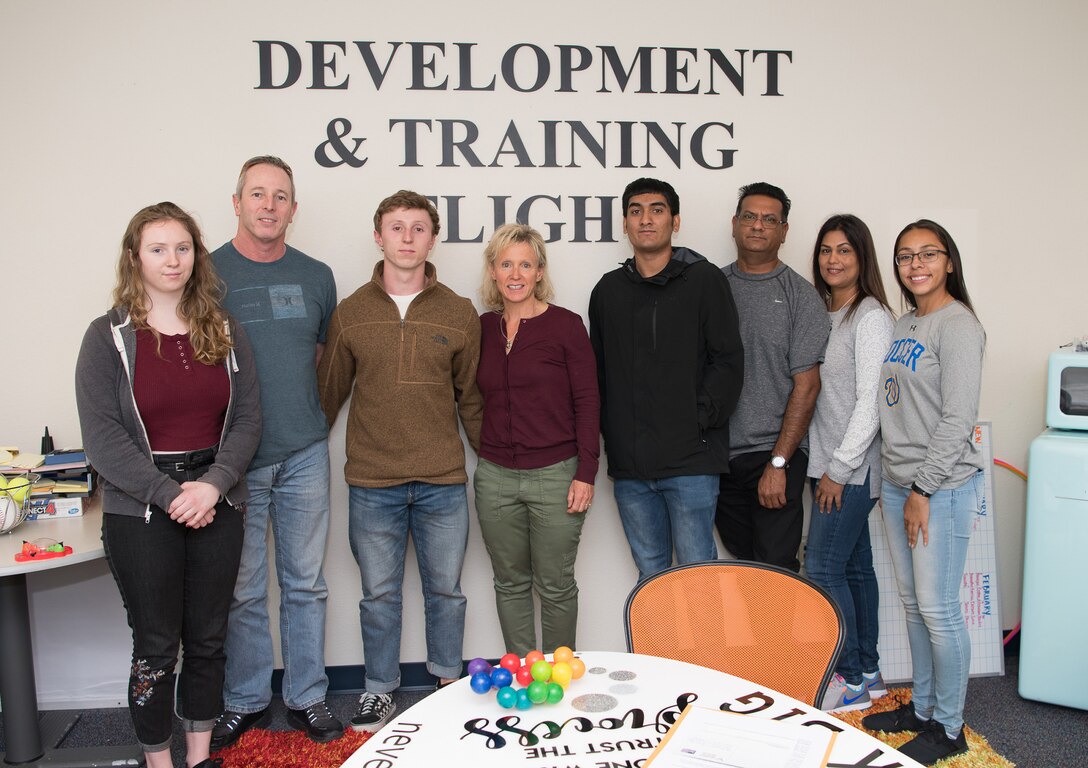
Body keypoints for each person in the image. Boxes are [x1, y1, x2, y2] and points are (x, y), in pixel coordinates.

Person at [75, 202, 261, 768]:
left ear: (196, 255)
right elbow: (103, 440)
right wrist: (170, 494)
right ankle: (158, 760)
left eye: (183, 247)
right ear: (135, 258)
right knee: (157, 647)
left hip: (217, 499)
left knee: (208, 639)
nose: (172, 259)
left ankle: (200, 756)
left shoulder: (224, 329)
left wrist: (213, 486)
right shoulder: (106, 338)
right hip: (142, 509)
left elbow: (249, 418)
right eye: (158, 249)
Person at [318, 190, 483, 733]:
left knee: (446, 593)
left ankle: (445, 683)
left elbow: (472, 400)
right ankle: (378, 690)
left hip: (441, 481)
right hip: (372, 480)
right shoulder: (351, 313)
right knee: (379, 595)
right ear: (378, 235)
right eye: (396, 227)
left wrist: (499, 461)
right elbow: (328, 395)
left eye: (418, 228)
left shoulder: (459, 313)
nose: (407, 238)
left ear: (432, 239)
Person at [211, 156, 343, 748]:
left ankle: (307, 696)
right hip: (233, 463)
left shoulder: (317, 275)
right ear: (236, 202)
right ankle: (244, 699)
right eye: (257, 194)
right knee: (242, 588)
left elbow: (319, 358)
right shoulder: (203, 274)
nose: (269, 205)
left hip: (305, 454)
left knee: (306, 582)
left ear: (294, 208)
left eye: (281, 196)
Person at [861, 220, 985, 766]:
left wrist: (922, 488)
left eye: (928, 254)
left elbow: (958, 420)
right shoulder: (908, 321)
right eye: (906, 256)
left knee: (939, 609)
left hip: (937, 488)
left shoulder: (957, 326)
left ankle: (950, 728)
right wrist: (900, 483)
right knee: (914, 605)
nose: (916, 264)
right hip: (897, 482)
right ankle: (925, 708)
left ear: (949, 262)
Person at [589, 178, 744, 583]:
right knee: (651, 578)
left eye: (656, 210)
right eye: (636, 211)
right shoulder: (608, 290)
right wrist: (615, 433)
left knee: (697, 576)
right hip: (632, 467)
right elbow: (599, 374)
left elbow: (727, 361)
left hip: (691, 461)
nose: (646, 219)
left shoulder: (705, 280)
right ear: (624, 224)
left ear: (675, 222)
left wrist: (696, 421)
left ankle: (705, 652)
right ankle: (656, 651)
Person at [474, 223, 600, 655]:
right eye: (506, 263)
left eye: (525, 264)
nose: (515, 273)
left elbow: (588, 401)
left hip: (556, 475)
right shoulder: (482, 329)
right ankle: (523, 673)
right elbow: (470, 398)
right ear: (493, 270)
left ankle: (559, 676)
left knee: (555, 584)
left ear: (540, 272)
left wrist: (586, 472)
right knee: (509, 582)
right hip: (495, 478)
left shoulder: (566, 326)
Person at [804, 215, 894, 713]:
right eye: (825, 250)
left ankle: (846, 676)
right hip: (830, 464)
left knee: (821, 569)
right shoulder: (829, 312)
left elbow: (871, 402)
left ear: (862, 257)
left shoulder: (871, 317)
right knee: (856, 568)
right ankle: (868, 672)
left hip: (850, 470)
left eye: (844, 250)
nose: (833, 259)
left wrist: (840, 468)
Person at [716, 182, 829, 572]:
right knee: (745, 566)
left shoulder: (800, 296)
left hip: (773, 454)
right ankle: (763, 637)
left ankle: (781, 637)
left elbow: (807, 385)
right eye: (749, 216)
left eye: (769, 219)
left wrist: (778, 464)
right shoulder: (712, 288)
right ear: (734, 224)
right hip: (720, 460)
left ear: (784, 230)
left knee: (777, 570)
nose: (758, 226)